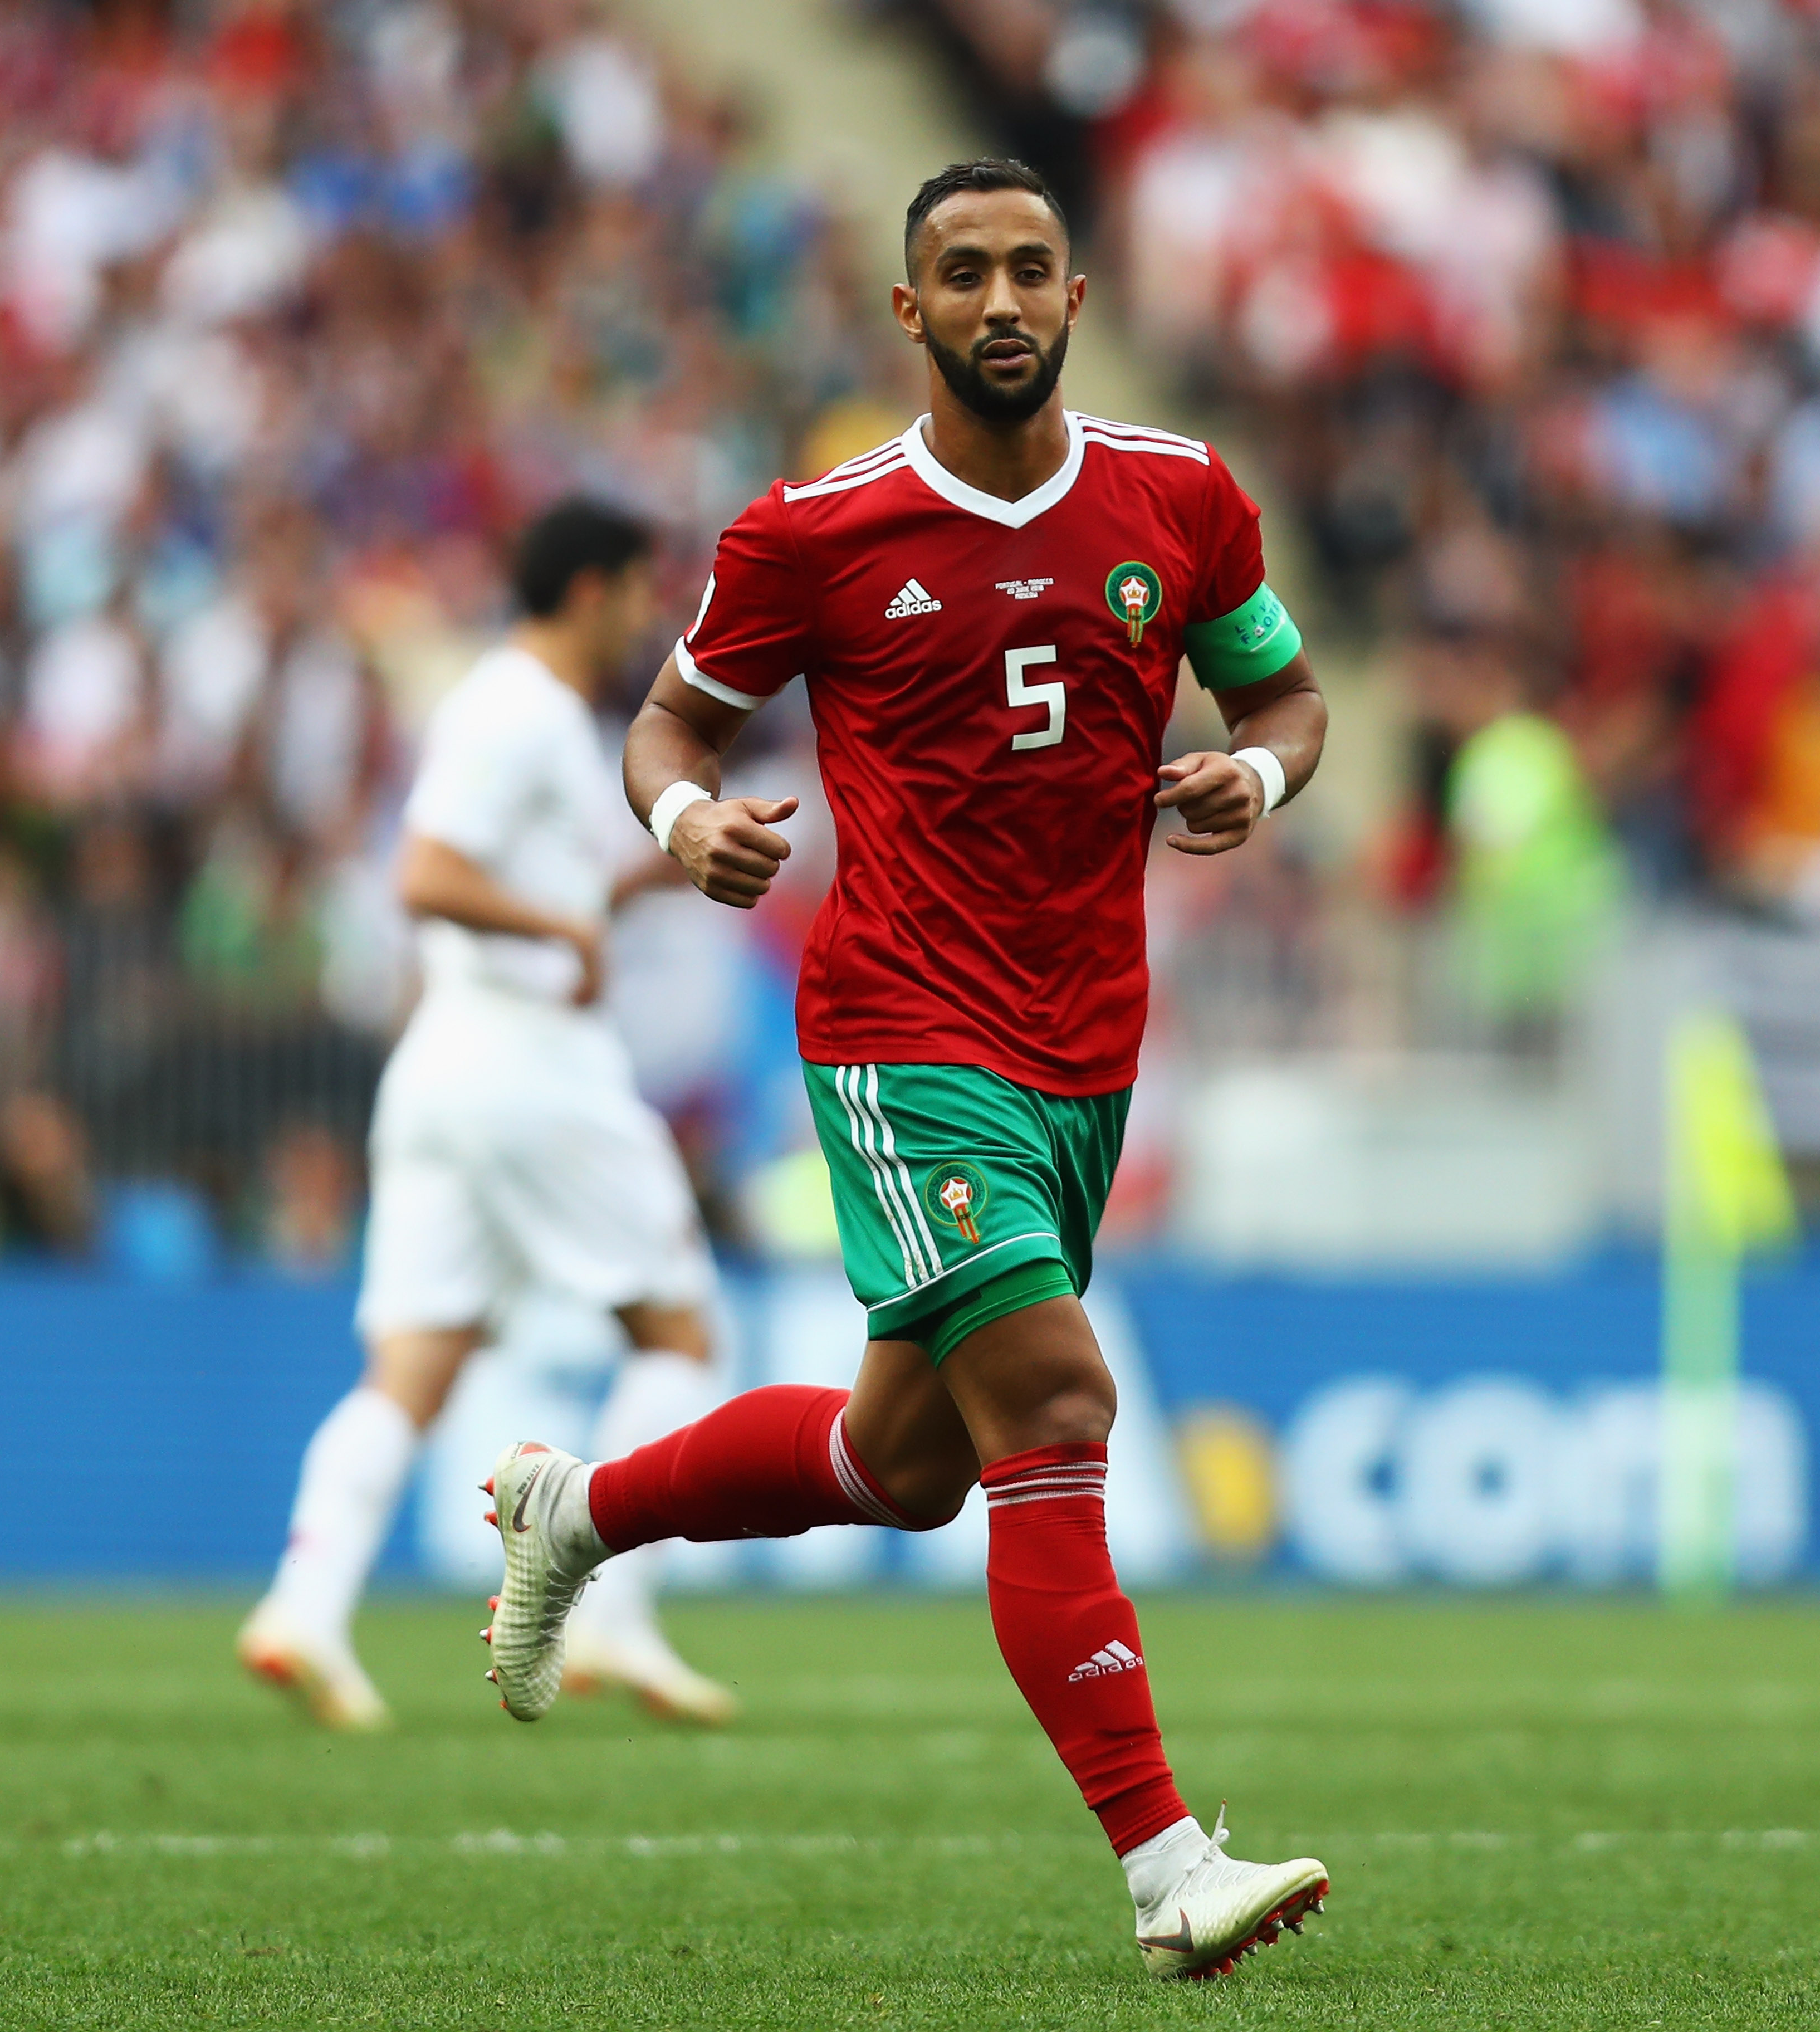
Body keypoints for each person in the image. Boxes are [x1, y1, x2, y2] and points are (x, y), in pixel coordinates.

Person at [470, 160, 1333, 1981]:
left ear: (1076, 297)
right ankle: (1167, 1857)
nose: (1002, 299)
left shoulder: (1180, 496)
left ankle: (579, 1509)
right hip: (901, 1029)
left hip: (1084, 1046)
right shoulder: (816, 531)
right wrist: (691, 813)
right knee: (1055, 1403)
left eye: (1031, 268)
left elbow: (1286, 695)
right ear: (910, 312)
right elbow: (667, 720)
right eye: (965, 274)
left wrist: (1257, 777)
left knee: (901, 1463)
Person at [238, 500, 735, 1732]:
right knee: (679, 1336)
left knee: (412, 1367)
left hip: (449, 1065)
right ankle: (613, 1614)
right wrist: (564, 927)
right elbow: (429, 872)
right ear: (590, 591)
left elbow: (518, 879)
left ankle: (304, 1602)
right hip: (530, 1064)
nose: (644, 617)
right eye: (637, 591)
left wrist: (640, 874)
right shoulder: (516, 707)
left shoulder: (537, 719)